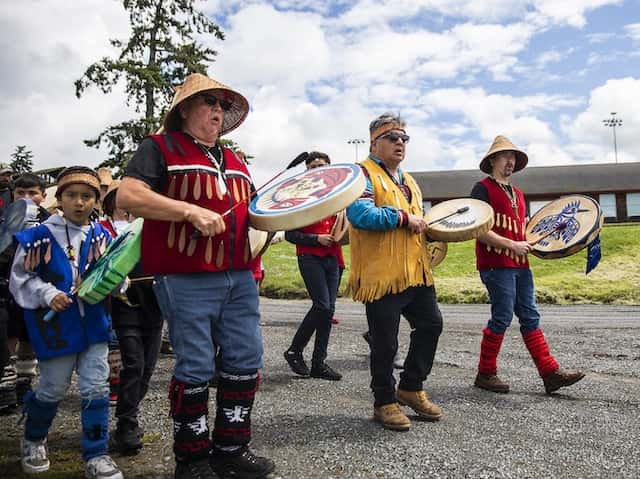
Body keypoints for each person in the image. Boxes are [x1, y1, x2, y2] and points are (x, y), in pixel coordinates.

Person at [117, 72, 275, 479]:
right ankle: (192, 459)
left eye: (222, 105)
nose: (217, 111)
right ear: (184, 109)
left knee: (245, 359)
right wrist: (188, 210)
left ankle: (231, 449)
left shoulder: (237, 161)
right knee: (197, 363)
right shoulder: (158, 148)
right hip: (184, 275)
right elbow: (129, 196)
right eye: (209, 102)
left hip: (240, 276)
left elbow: (255, 213)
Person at [9, 166, 123, 479]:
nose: (79, 202)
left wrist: (111, 281)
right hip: (57, 327)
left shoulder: (103, 236)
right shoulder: (37, 237)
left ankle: (97, 453)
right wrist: (47, 294)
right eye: (71, 195)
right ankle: (33, 439)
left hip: (95, 325)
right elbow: (21, 278)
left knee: (96, 387)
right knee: (52, 387)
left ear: (96, 201)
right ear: (59, 199)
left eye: (87, 196)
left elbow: (118, 277)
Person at [346, 113, 443, 431]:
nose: (400, 142)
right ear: (374, 141)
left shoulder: (409, 179)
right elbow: (360, 213)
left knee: (431, 324)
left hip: (415, 271)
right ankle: (384, 402)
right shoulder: (361, 174)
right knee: (385, 342)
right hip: (382, 274)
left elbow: (420, 218)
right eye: (392, 137)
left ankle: (411, 387)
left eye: (404, 138)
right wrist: (402, 218)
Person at [470, 136, 585, 394]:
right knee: (501, 316)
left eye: (513, 157)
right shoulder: (482, 189)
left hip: (521, 264)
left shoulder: (519, 194)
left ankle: (549, 373)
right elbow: (477, 229)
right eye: (505, 156)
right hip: (495, 262)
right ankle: (485, 373)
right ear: (492, 160)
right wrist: (511, 245)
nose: (510, 161)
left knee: (530, 315)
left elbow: (523, 229)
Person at [100, 180, 163, 455]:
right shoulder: (104, 230)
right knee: (134, 364)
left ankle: (129, 414)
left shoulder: (157, 228)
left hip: (155, 304)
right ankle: (126, 424)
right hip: (125, 305)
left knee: (147, 367)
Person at [283, 151, 343, 381]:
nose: (317, 169)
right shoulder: (298, 197)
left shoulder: (337, 195)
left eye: (322, 166)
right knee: (322, 307)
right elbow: (290, 234)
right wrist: (315, 239)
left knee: (329, 311)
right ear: (306, 171)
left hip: (334, 258)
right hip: (310, 256)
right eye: (313, 167)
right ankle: (295, 350)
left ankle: (319, 362)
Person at [2, 174, 51, 409]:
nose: (26, 198)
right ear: (13, 195)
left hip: (37, 289)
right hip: (6, 288)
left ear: (44, 195)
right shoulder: (5, 220)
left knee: (29, 335)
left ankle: (24, 382)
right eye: (20, 193)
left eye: (33, 193)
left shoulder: (51, 222)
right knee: (7, 333)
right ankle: (6, 382)